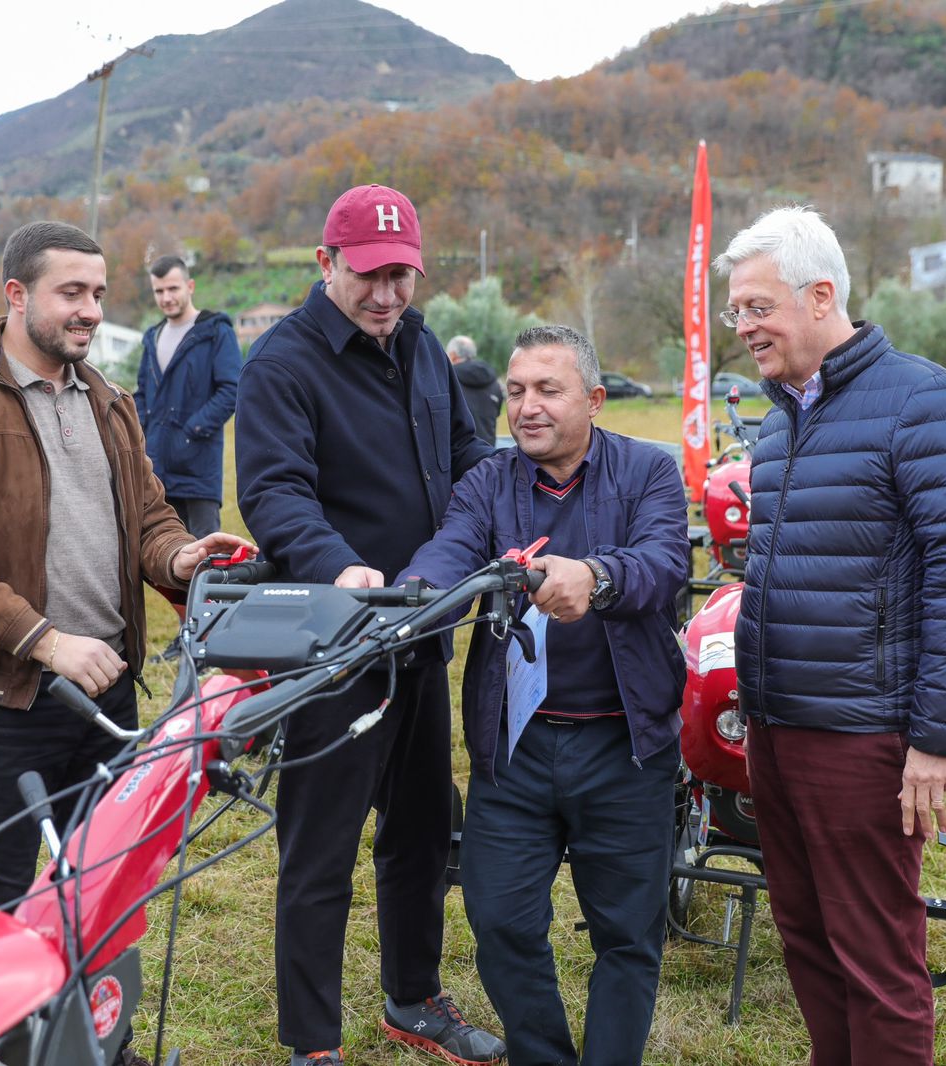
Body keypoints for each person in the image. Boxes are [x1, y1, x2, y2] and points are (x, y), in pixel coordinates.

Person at [0, 221, 253, 909]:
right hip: (6, 697)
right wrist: (47, 642)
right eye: (72, 292)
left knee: (102, 893)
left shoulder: (111, 402)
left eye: (99, 292)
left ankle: (99, 1020)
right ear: (17, 294)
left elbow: (148, 517)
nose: (91, 308)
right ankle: (6, 1022)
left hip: (106, 690)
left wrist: (179, 555)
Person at [714, 206, 946, 1064]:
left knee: (877, 962)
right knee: (806, 941)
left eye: (757, 306)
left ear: (821, 295)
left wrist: (938, 741)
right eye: (737, 311)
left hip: (867, 738)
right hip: (776, 727)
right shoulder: (775, 425)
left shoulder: (924, 401)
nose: (745, 328)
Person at [235, 184, 502, 1066]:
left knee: (423, 830)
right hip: (335, 646)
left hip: (422, 631)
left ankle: (414, 1000)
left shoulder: (420, 344)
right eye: (369, 275)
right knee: (319, 852)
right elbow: (273, 489)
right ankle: (312, 1043)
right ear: (325, 263)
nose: (387, 294)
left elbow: (465, 460)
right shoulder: (282, 363)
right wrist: (336, 563)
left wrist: (508, 508)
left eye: (402, 276)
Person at [403, 324, 688, 1066]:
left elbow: (662, 562)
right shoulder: (488, 483)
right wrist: (410, 595)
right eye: (517, 391)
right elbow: (451, 549)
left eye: (548, 390)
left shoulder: (649, 472)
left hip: (626, 747)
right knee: (499, 922)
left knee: (627, 933)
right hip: (516, 748)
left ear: (594, 399)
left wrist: (596, 577)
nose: (526, 407)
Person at [135, 255, 241, 663]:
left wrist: (192, 431)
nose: (166, 297)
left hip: (198, 465)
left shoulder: (215, 332)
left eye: (173, 288)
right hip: (159, 467)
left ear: (190, 286)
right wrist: (143, 433)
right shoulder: (151, 337)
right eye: (159, 291)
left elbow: (231, 388)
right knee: (169, 558)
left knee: (206, 557)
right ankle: (188, 637)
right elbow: (143, 392)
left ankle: (211, 639)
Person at [447, 334, 504, 445]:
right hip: (488, 454)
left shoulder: (447, 379)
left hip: (458, 455)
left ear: (453, 356)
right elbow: (497, 413)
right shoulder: (494, 382)